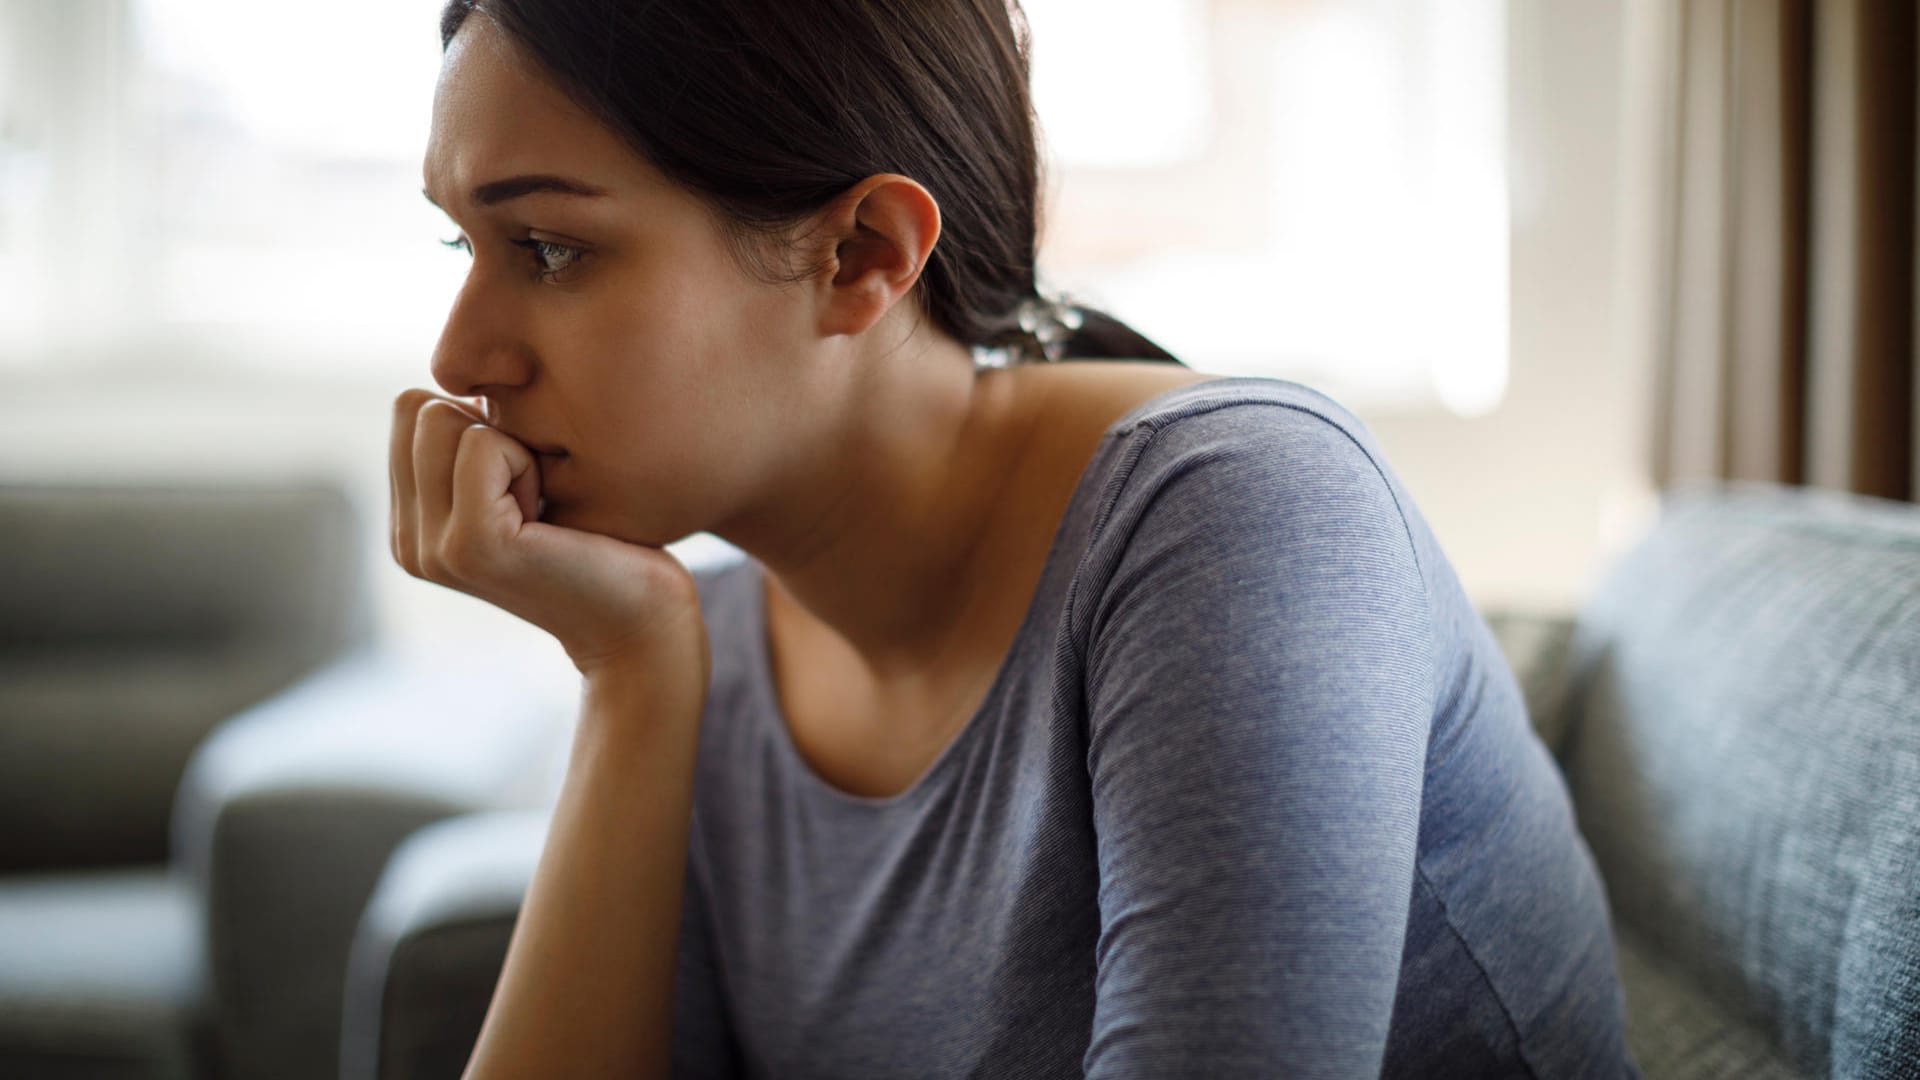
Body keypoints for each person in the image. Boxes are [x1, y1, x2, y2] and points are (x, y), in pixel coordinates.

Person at [388, 1, 1642, 1076]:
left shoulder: (1232, 515)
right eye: (464, 242)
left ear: (863, 256)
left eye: (550, 247)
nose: (457, 355)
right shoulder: (705, 643)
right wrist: (633, 684)